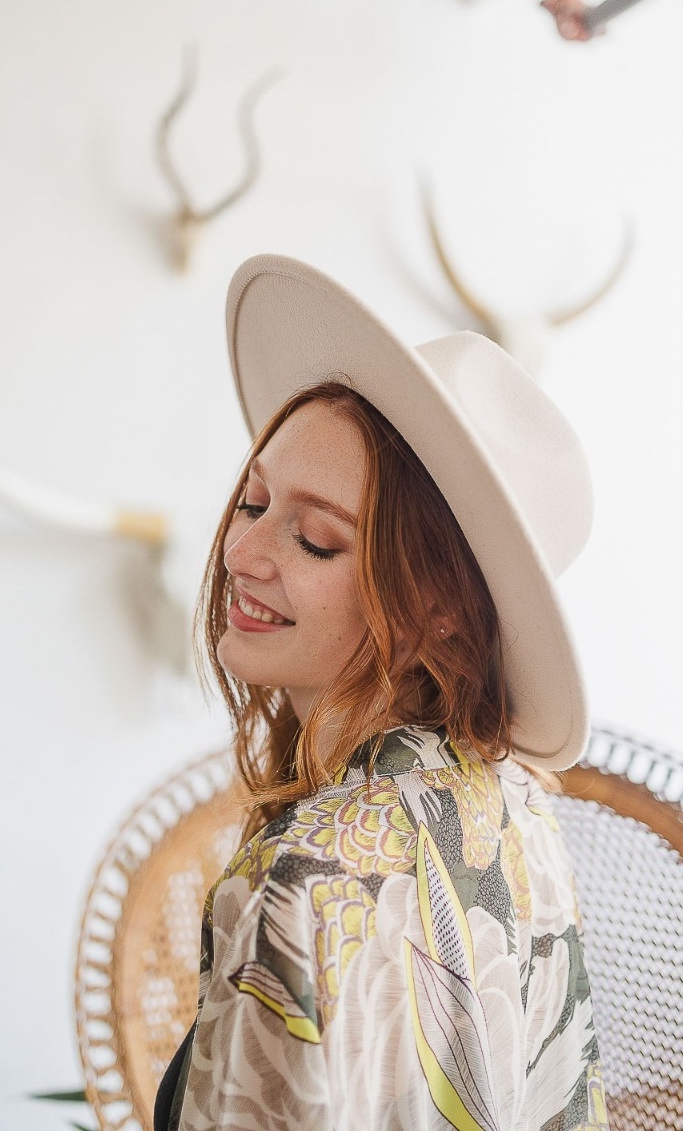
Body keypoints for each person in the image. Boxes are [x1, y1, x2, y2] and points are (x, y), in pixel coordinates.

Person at [155, 255, 607, 1131]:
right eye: (252, 503)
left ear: (437, 608)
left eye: (316, 541)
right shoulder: (522, 811)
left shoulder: (300, 890)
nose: (243, 555)